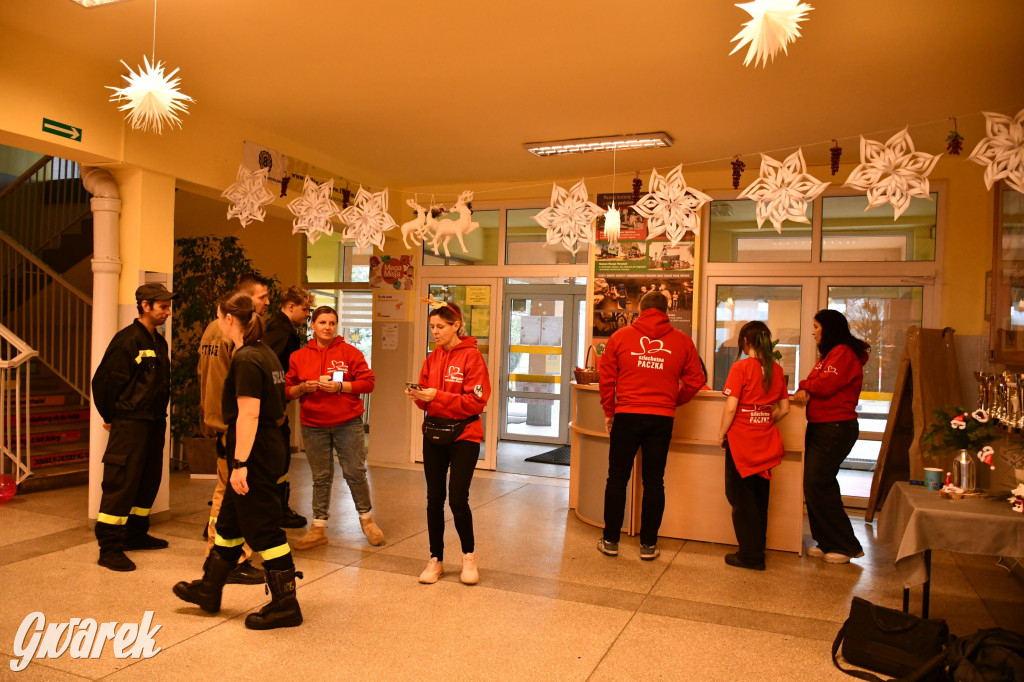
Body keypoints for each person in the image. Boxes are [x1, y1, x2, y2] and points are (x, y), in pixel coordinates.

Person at [174, 291, 303, 630]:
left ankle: (286, 605)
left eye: (219, 317)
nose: (218, 322)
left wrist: (241, 464)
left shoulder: (246, 358)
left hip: (255, 454)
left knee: (263, 531)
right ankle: (210, 589)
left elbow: (248, 414)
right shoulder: (263, 353)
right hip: (265, 447)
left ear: (229, 319)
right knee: (230, 525)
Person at [598, 291, 704, 561]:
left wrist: (610, 410)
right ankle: (648, 545)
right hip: (662, 419)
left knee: (617, 479)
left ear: (640, 310)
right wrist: (672, 401)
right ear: (666, 310)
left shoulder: (620, 337)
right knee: (654, 481)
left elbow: (606, 379)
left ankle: (610, 540)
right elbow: (696, 381)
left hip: (627, 415)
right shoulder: (682, 341)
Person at [92, 283, 176, 572]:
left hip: (154, 421)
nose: (167, 311)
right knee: (121, 483)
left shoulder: (159, 342)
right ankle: (110, 547)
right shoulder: (126, 340)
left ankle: (135, 534)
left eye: (168, 306)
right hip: (130, 423)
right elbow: (103, 383)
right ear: (145, 306)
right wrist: (111, 416)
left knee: (147, 479)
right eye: (162, 306)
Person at [405, 299, 490, 585]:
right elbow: (426, 401)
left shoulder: (472, 357)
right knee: (433, 499)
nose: (435, 332)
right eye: (432, 327)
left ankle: (469, 556)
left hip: (465, 436)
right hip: (434, 433)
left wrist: (436, 396)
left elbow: (476, 401)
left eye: (441, 327)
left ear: (457, 326)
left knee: (457, 498)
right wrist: (420, 397)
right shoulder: (432, 357)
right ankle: (436, 559)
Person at [286, 305, 381, 549]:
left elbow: (368, 383)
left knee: (355, 471)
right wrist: (304, 388)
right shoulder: (298, 357)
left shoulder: (350, 353)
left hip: (347, 423)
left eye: (331, 323)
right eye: (322, 323)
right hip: (313, 425)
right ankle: (318, 528)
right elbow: (288, 390)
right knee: (321, 477)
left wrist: (341, 387)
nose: (327, 327)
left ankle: (367, 519)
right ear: (312, 326)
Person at [196, 273, 270, 585]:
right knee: (234, 492)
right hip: (232, 423)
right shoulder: (236, 337)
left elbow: (204, 374)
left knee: (224, 489)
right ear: (245, 300)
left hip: (217, 419)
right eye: (262, 297)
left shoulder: (211, 330)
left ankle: (219, 552)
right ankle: (229, 558)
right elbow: (236, 383)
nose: (266, 303)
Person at [792, 309, 869, 564]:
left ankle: (845, 545)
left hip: (835, 427)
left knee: (819, 483)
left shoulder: (843, 353)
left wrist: (804, 385)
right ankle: (826, 541)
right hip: (821, 425)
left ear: (829, 328)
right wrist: (806, 386)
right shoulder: (829, 355)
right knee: (815, 484)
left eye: (816, 326)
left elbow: (824, 385)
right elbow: (817, 381)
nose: (813, 331)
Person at [717, 321, 790, 571]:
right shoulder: (776, 370)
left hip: (742, 442)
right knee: (760, 498)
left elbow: (730, 407)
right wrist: (766, 419)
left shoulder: (741, 367)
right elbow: (785, 409)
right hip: (766, 441)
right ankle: (757, 549)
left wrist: (721, 433)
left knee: (739, 496)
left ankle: (749, 555)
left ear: (745, 342)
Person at [263, 286, 314, 529]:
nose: (307, 314)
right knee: (280, 456)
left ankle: (278, 508)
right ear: (290, 306)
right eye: (305, 309)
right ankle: (278, 510)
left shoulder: (282, 327)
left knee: (281, 455)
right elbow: (272, 369)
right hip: (273, 405)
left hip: (276, 402)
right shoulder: (281, 331)